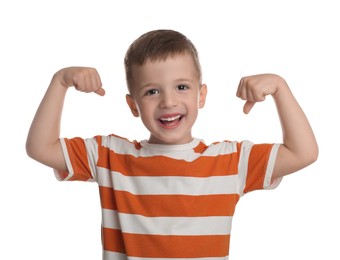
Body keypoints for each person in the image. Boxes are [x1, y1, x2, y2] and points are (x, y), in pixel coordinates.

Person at [26, 29, 318, 259]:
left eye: (182, 87)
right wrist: (59, 83)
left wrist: (281, 87)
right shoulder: (109, 156)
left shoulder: (231, 161)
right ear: (133, 105)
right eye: (152, 91)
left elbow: (303, 153)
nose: (168, 101)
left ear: (201, 96)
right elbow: (40, 148)